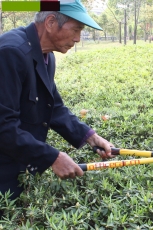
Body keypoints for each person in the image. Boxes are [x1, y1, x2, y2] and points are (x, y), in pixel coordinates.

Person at [0, 0, 114, 202]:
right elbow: (3, 124)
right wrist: (51, 157)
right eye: (76, 30)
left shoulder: (46, 55)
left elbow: (54, 107)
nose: (78, 39)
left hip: (18, 162)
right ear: (51, 22)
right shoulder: (11, 52)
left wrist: (90, 136)